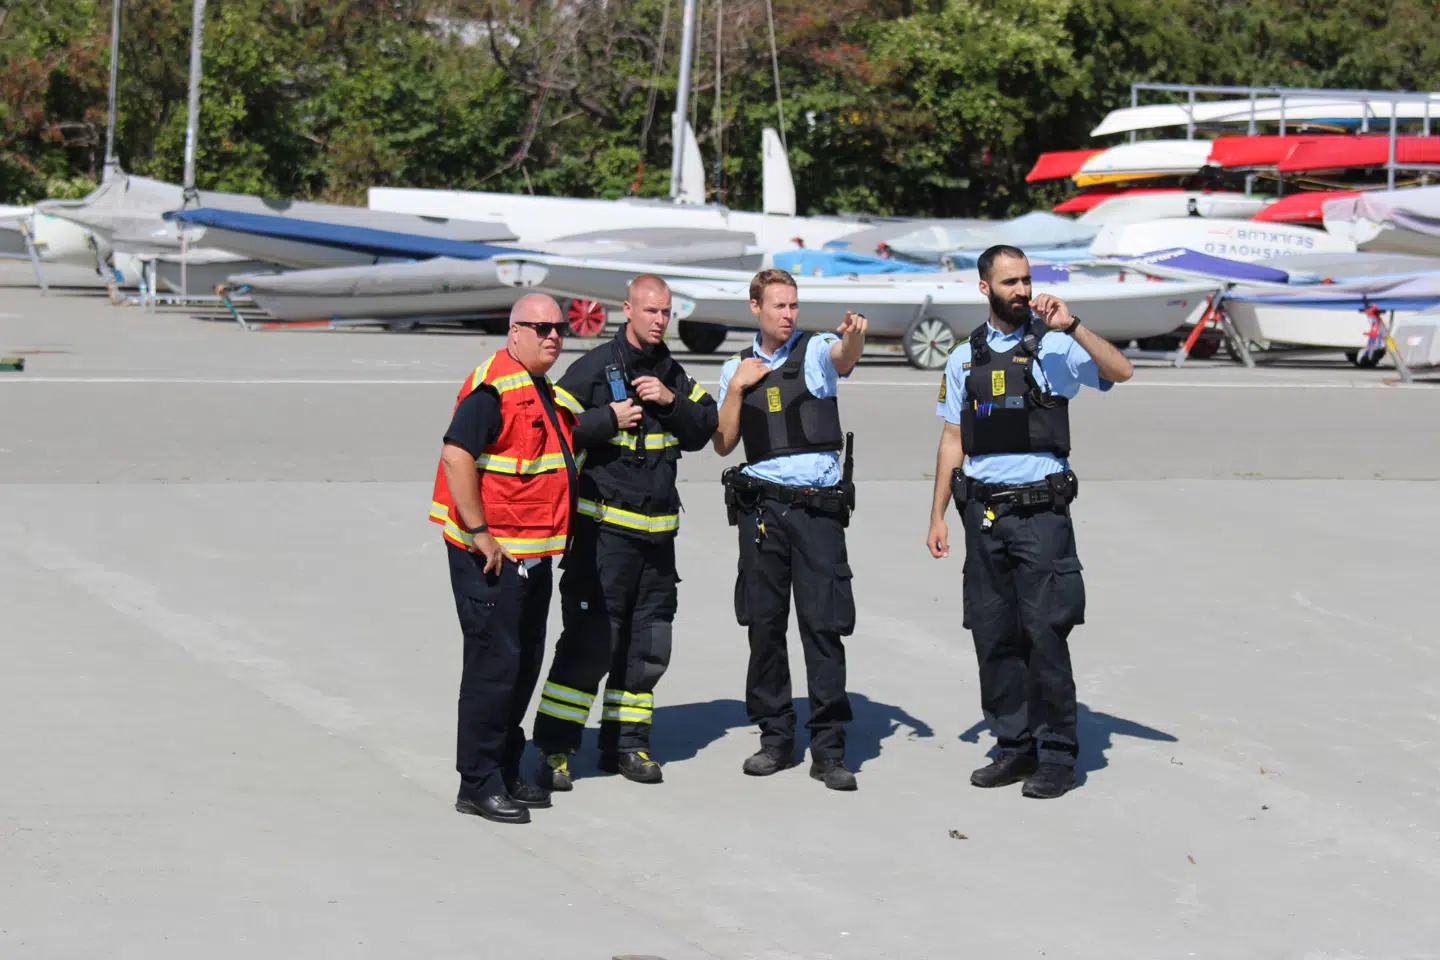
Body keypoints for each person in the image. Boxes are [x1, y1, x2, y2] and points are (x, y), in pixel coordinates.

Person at [925, 244, 1134, 800]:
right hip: (983, 516)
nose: (1021, 290)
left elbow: (1122, 370)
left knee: (1045, 635)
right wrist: (938, 515)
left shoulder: (1055, 347)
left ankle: (1058, 756)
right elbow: (952, 440)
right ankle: (1014, 748)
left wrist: (1074, 324)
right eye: (1009, 282)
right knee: (994, 636)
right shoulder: (963, 358)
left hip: (1040, 514)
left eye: (1026, 280)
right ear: (984, 288)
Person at [530, 275, 719, 788]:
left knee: (648, 647)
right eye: (651, 311)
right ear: (629, 310)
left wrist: (669, 401)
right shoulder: (593, 369)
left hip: (658, 545)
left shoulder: (671, 373)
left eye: (666, 312)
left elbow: (707, 425)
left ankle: (626, 744)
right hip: (602, 543)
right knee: (591, 644)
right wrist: (607, 419)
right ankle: (554, 749)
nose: (660, 320)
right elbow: (553, 432)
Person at [428, 293, 607, 825]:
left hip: (532, 558)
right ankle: (477, 783)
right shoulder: (494, 387)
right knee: (493, 669)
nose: (554, 336)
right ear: (515, 332)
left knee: (523, 664)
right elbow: (456, 454)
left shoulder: (539, 387)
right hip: (492, 561)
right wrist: (480, 533)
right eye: (542, 327)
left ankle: (505, 768)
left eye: (560, 329)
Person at [713, 267, 868, 791]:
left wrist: (854, 340)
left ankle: (829, 750)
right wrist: (736, 388)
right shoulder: (736, 366)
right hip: (761, 512)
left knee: (823, 626)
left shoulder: (818, 348)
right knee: (764, 627)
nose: (788, 314)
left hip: (816, 511)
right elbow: (723, 441)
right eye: (778, 306)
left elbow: (842, 358)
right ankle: (775, 738)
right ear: (755, 307)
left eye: (793, 305)